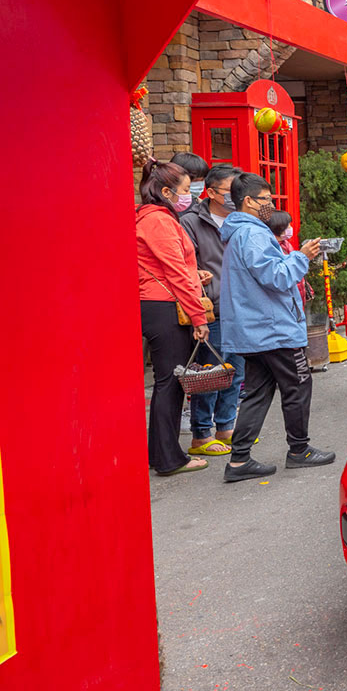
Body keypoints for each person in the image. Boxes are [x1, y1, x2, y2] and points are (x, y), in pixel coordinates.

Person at [219, 173, 333, 481]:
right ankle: (299, 450)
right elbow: (277, 277)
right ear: (248, 201)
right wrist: (301, 256)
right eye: (266, 200)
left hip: (255, 329)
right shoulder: (252, 235)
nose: (270, 205)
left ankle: (240, 460)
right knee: (297, 385)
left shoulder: (240, 233)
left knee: (258, 391)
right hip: (272, 329)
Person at [136, 161, 211, 476]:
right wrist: (199, 316)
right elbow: (175, 272)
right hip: (165, 306)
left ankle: (160, 454)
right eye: (184, 189)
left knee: (167, 383)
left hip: (152, 302)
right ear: (165, 191)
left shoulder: (147, 217)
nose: (190, 195)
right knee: (171, 383)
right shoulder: (159, 221)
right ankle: (169, 459)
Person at [179, 163, 243, 455]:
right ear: (212, 192)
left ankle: (226, 426)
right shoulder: (191, 221)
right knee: (209, 372)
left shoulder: (244, 219)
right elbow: (185, 265)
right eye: (230, 192)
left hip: (241, 306)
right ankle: (201, 434)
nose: (236, 197)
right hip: (212, 307)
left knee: (236, 371)